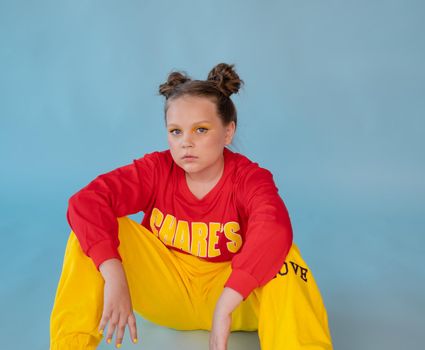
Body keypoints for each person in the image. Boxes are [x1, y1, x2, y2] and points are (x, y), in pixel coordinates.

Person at [49, 63, 333, 350]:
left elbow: (273, 227)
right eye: (176, 131)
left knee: (285, 258)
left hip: (235, 302)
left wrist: (225, 306)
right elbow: (87, 202)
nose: (186, 143)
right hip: (167, 295)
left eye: (200, 130)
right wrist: (113, 276)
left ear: (228, 132)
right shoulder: (156, 169)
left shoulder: (249, 178)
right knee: (90, 233)